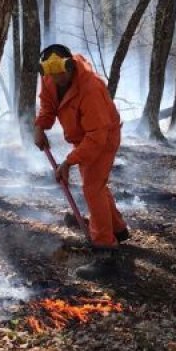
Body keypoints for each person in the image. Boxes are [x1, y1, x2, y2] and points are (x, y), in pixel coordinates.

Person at [33, 44, 130, 279]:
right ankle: (117, 230)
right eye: (51, 75)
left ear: (69, 65)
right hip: (84, 138)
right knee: (96, 185)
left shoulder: (91, 88)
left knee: (92, 188)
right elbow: (48, 106)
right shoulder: (50, 78)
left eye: (60, 73)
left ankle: (106, 253)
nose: (56, 79)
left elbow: (97, 136)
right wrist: (40, 126)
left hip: (103, 138)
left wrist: (67, 163)